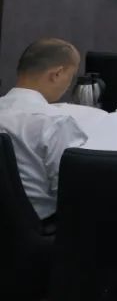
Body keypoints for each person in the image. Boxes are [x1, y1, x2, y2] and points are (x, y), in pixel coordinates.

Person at [0, 39, 87, 220]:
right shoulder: (55, 122)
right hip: (41, 224)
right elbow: (71, 189)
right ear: (57, 74)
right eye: (71, 76)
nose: (68, 86)